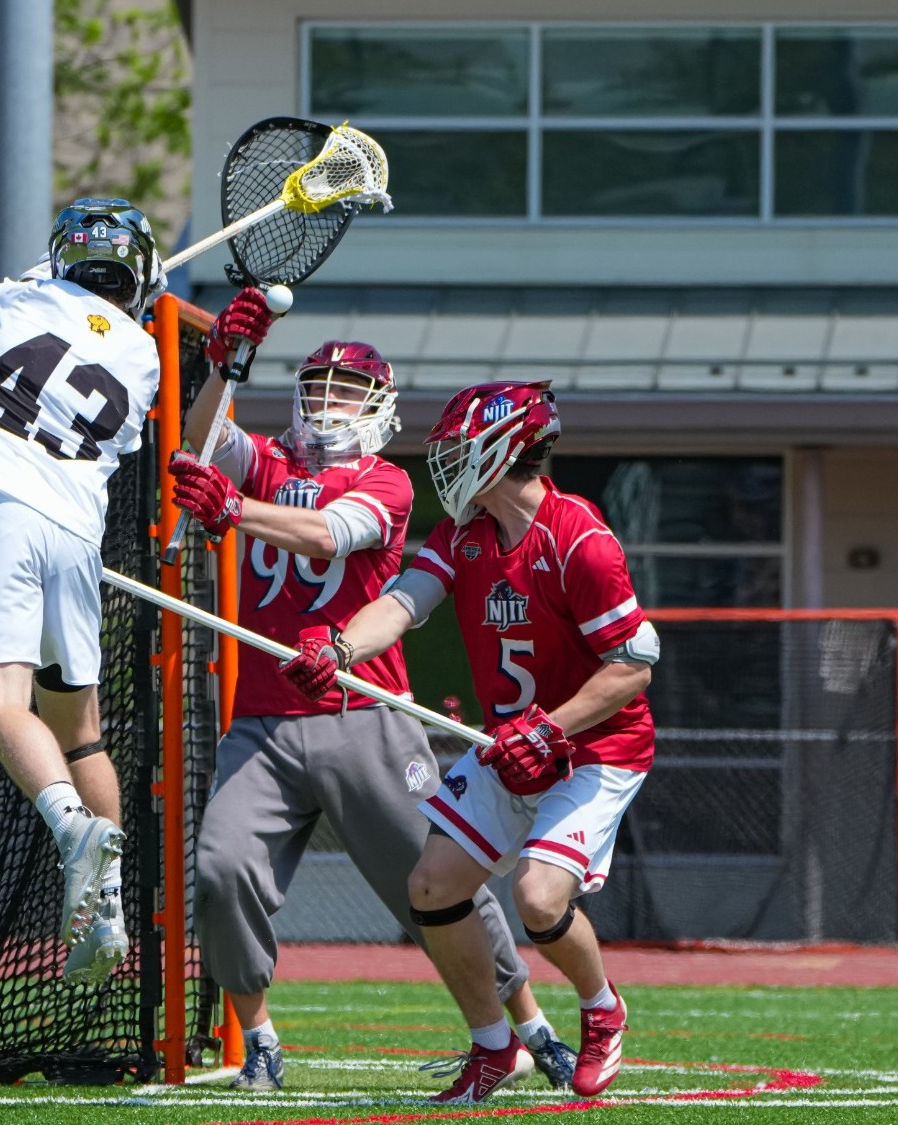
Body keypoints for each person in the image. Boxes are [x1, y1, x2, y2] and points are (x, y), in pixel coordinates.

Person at [170, 344, 578, 1094]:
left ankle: (528, 1023)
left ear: (380, 406)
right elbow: (202, 439)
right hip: (263, 717)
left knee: (439, 882)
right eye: (318, 387)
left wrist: (234, 511)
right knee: (221, 869)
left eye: (348, 390)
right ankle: (257, 1037)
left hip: (366, 715)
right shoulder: (264, 461)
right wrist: (224, 363)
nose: (328, 403)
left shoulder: (385, 479)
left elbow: (328, 534)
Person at [280, 381, 660, 1105]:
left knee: (539, 897)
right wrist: (339, 647)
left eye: (459, 448)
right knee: (433, 884)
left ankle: (602, 1007)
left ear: (505, 448)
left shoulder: (580, 538)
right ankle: (493, 1045)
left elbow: (631, 671)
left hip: (592, 750)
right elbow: (400, 603)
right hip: (510, 747)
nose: (447, 463)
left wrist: (549, 726)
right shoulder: (465, 532)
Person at [0, 198, 252, 985]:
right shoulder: (144, 358)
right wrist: (221, 361)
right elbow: (182, 439)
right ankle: (106, 906)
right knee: (80, 734)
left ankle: (71, 828)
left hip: (2, 509)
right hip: (74, 538)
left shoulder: (11, 300)